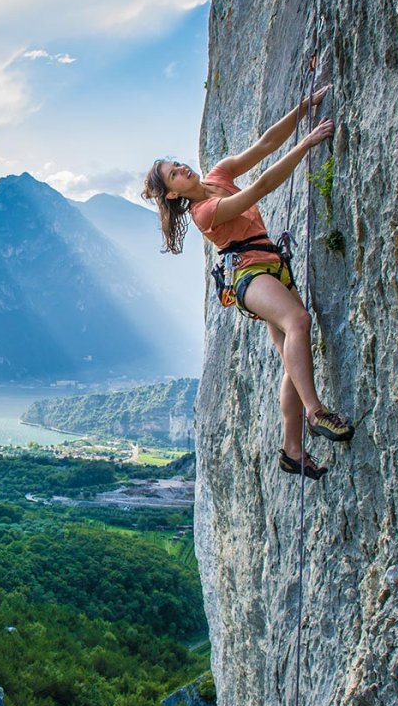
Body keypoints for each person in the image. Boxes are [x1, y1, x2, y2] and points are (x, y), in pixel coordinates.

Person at [142, 85, 353, 479]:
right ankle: (316, 412)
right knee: (298, 323)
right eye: (175, 174)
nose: (183, 168)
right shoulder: (205, 212)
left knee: (294, 357)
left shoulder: (219, 174)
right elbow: (260, 188)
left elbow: (264, 144)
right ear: (172, 194)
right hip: (249, 273)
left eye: (178, 164)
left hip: (270, 263)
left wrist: (302, 108)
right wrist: (306, 143)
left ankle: (292, 450)